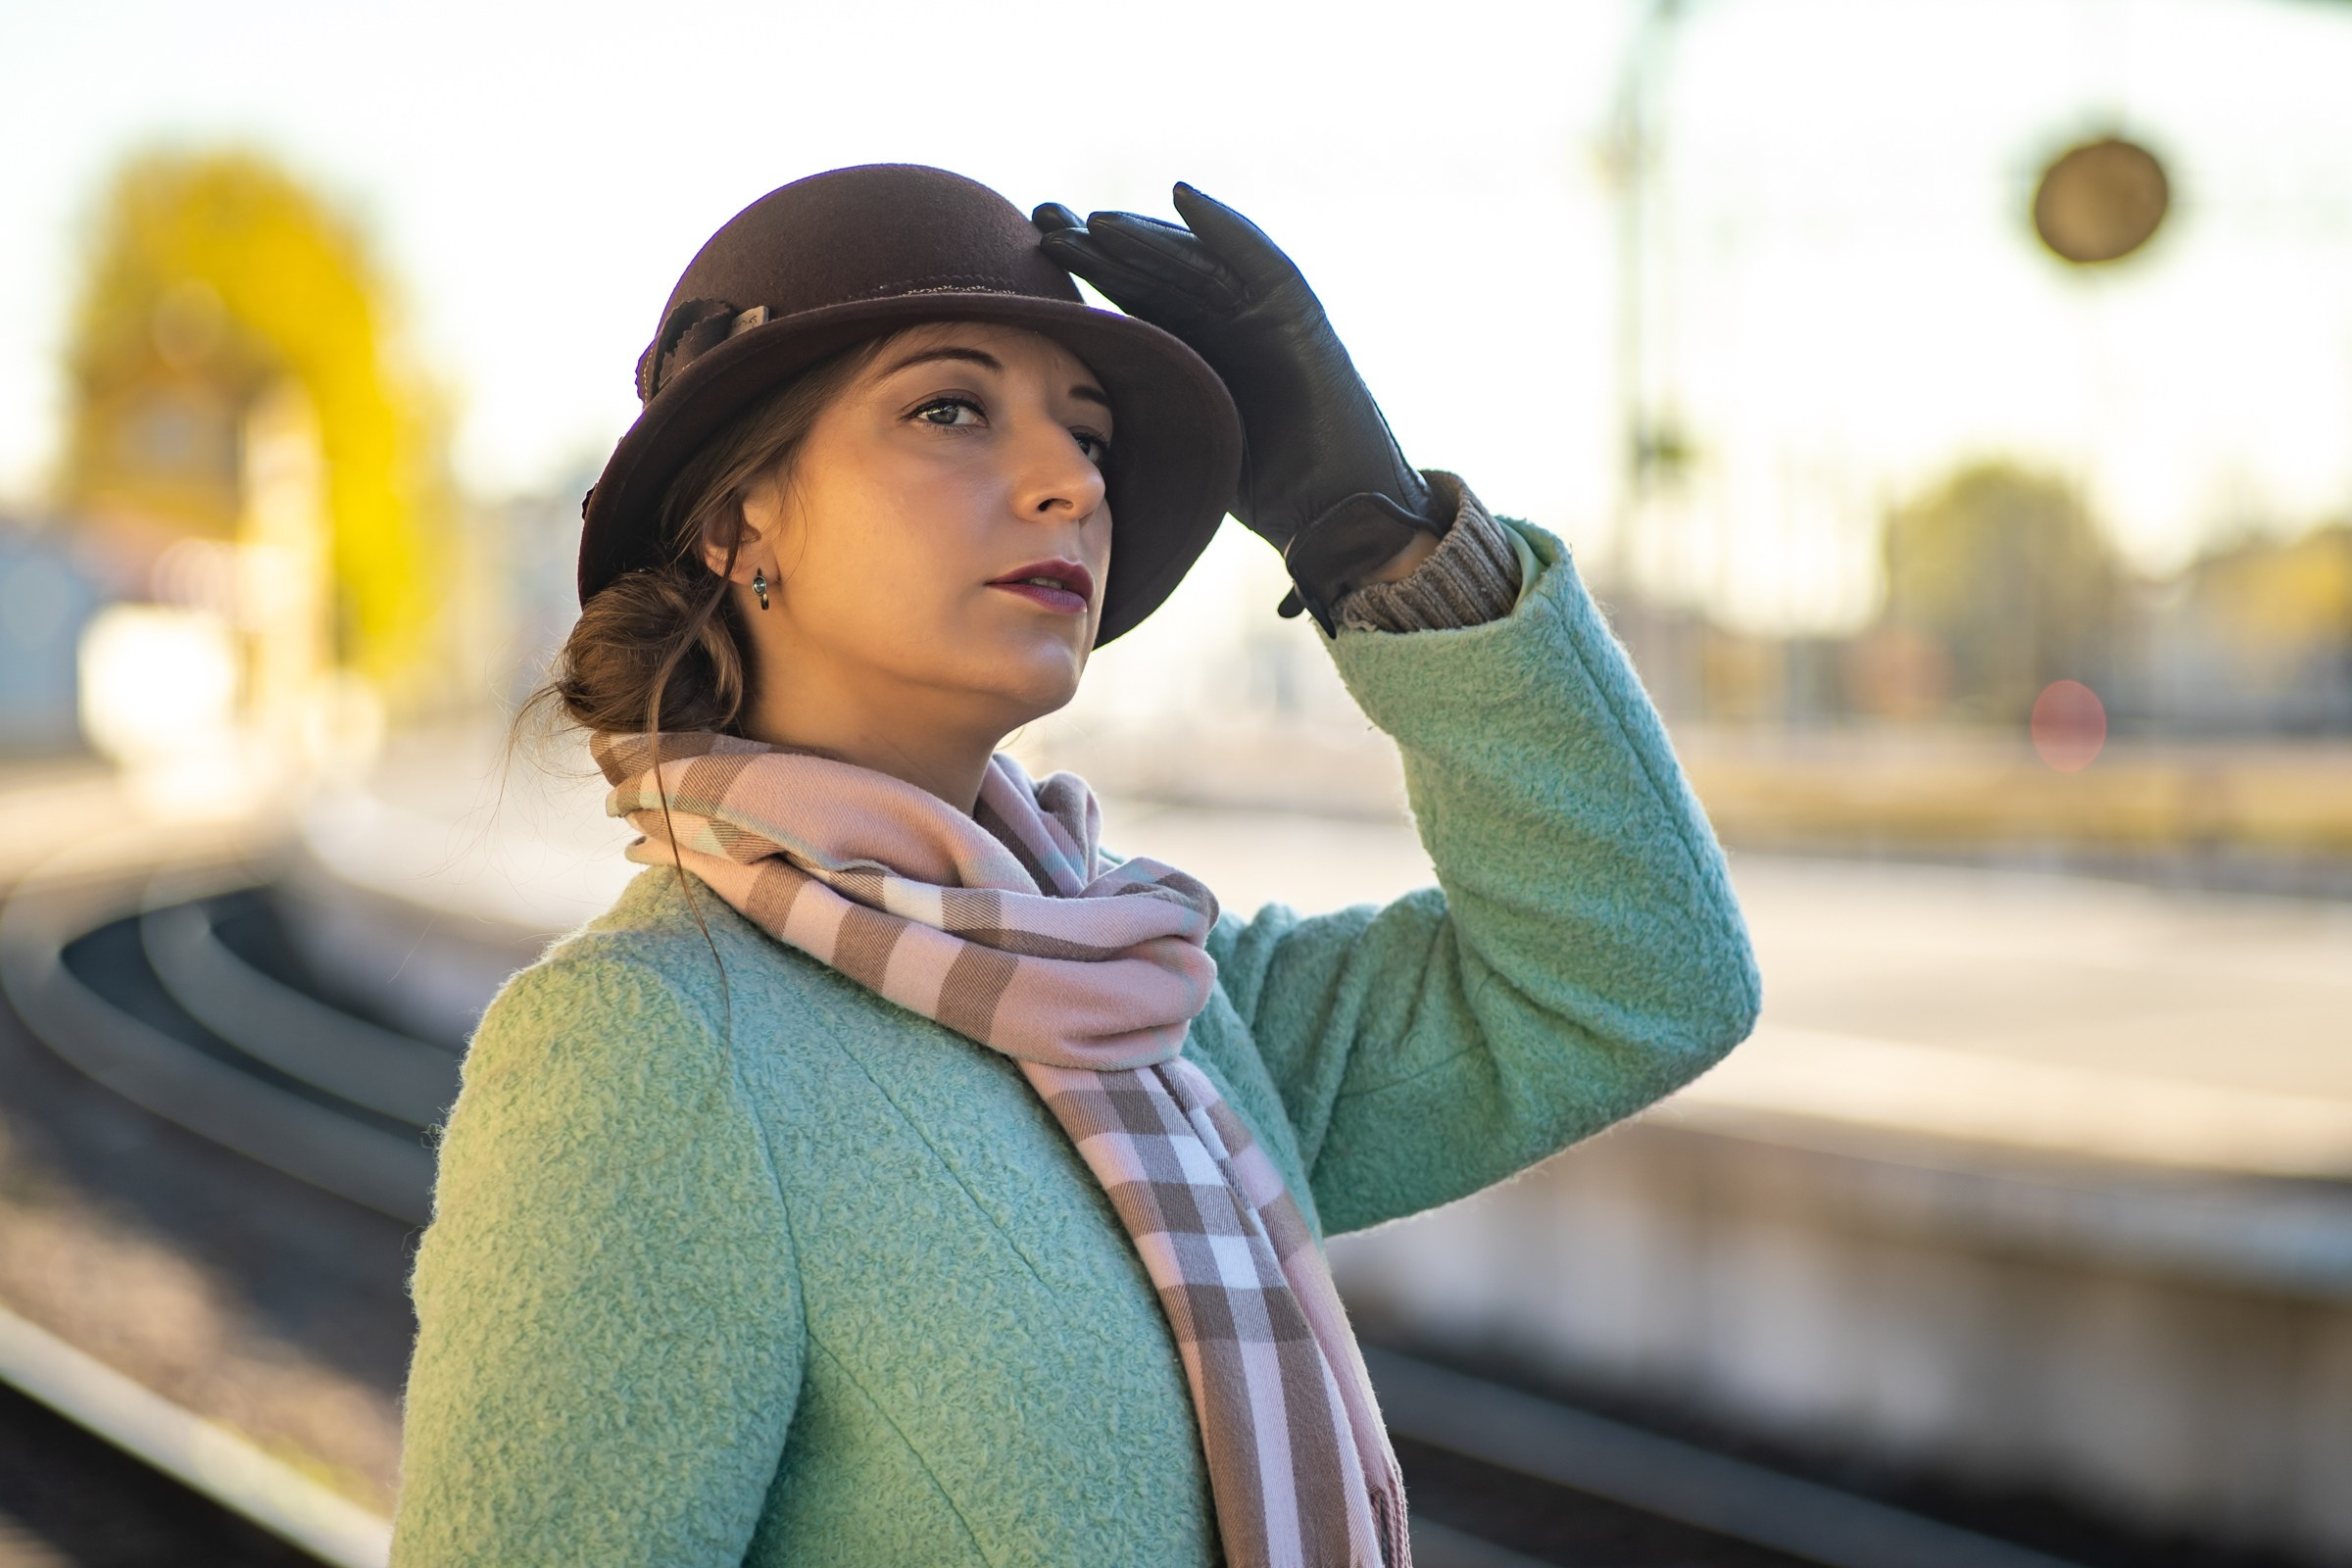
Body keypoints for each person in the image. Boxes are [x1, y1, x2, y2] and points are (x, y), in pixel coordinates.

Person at [390, 164, 1759, 1568]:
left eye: (1091, 438)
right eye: (949, 409)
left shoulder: (1166, 1006)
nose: (1068, 484)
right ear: (739, 517)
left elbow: (1640, 979)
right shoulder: (649, 1049)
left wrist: (1377, 533)